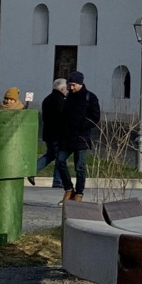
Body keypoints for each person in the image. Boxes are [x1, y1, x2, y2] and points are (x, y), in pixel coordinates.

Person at [56, 71, 100, 203]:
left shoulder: (89, 97)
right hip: (67, 137)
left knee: (80, 167)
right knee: (60, 161)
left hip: (81, 137)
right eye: (69, 85)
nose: (71, 88)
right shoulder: (69, 97)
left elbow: (95, 117)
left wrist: (82, 125)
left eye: (73, 85)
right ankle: (69, 189)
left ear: (80, 84)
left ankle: (79, 193)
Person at [29, 78, 67, 187]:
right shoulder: (61, 101)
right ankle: (58, 181)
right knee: (60, 157)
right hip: (58, 134)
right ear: (62, 88)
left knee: (50, 155)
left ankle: (33, 170)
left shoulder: (47, 99)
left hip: (48, 133)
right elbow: (62, 118)